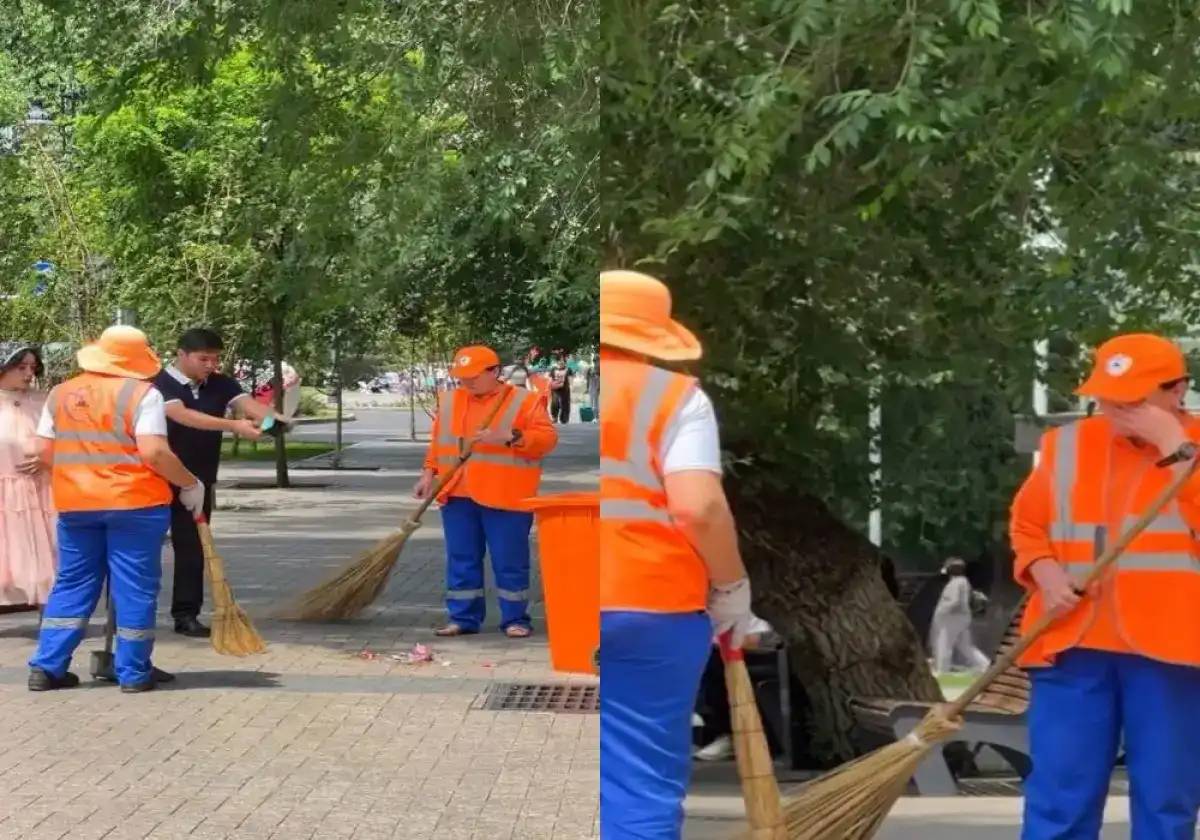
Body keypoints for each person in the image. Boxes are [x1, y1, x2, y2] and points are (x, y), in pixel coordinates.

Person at [1010, 333, 1200, 840]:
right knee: (1058, 800)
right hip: (1071, 641)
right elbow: (1028, 526)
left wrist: (1175, 448)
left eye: (1132, 400)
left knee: (1166, 801)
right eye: (1106, 397)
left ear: (1177, 391)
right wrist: (1046, 574)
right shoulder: (1066, 444)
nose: (1115, 410)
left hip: (1173, 650)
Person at [599, 269, 756, 838]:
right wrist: (732, 587)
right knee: (637, 781)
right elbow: (699, 509)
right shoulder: (674, 396)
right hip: (651, 605)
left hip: (571, 598)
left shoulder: (562, 389)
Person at [27, 326, 206, 692]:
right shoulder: (143, 394)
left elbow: (44, 452)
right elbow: (155, 452)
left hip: (77, 504)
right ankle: (133, 672)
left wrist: (84, 475)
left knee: (72, 583)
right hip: (134, 505)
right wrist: (190, 484)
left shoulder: (60, 393)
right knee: (134, 588)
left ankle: (47, 667)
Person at [414, 345, 558, 639]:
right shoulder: (450, 400)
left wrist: (512, 436)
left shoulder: (524, 401)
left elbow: (547, 440)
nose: (466, 381)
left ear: (495, 372)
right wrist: (428, 473)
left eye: (474, 376)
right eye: (462, 376)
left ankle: (515, 620)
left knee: (510, 561)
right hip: (456, 492)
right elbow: (438, 442)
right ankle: (462, 618)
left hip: (506, 495)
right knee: (461, 559)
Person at [154, 328, 275, 638]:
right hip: (155, 478)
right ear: (181, 355)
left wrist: (274, 421)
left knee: (193, 546)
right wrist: (234, 425)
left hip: (198, 481)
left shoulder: (221, 383)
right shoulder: (158, 383)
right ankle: (130, 615)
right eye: (203, 359)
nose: (211, 365)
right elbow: (182, 415)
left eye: (215, 359)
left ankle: (186, 614)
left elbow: (249, 406)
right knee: (142, 549)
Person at [0, 344, 56, 609]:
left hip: (39, 487)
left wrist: (49, 457)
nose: (28, 373)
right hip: (5, 489)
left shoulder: (43, 401)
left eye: (32, 367)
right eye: (21, 367)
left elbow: (64, 438)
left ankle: (52, 614)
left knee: (46, 554)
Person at [692, 615, 773, 762]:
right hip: (721, 647)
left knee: (711, 662)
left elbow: (753, 639)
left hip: (758, 650)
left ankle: (728, 734)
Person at [928, 557, 989, 675]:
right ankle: (985, 666)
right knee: (965, 646)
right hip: (960, 618)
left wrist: (942, 611)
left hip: (952, 619)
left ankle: (942, 670)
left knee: (944, 644)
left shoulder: (957, 583)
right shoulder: (962, 581)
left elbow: (954, 601)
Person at [549, 356, 572, 424]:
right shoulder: (553, 369)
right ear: (557, 362)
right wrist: (551, 385)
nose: (561, 362)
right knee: (555, 403)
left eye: (562, 361)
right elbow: (550, 379)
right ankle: (554, 417)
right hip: (555, 390)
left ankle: (564, 419)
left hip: (565, 389)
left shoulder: (568, 369)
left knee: (565, 404)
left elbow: (570, 379)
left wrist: (571, 386)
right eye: (559, 361)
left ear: (565, 362)